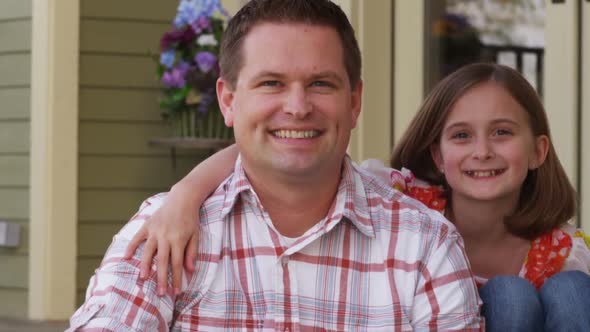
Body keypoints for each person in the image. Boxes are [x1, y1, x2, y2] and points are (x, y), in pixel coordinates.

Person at [69, 0, 482, 330]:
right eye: (272, 83)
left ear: (354, 102)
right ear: (228, 101)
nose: (298, 107)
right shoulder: (167, 231)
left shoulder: (424, 246)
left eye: (321, 84)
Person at [128, 63, 590, 331]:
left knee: (569, 291)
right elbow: (262, 150)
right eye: (462, 135)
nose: (483, 152)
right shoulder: (404, 199)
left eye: (503, 133)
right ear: (437, 152)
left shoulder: (562, 252)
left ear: (538, 151)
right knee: (510, 297)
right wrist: (186, 195)